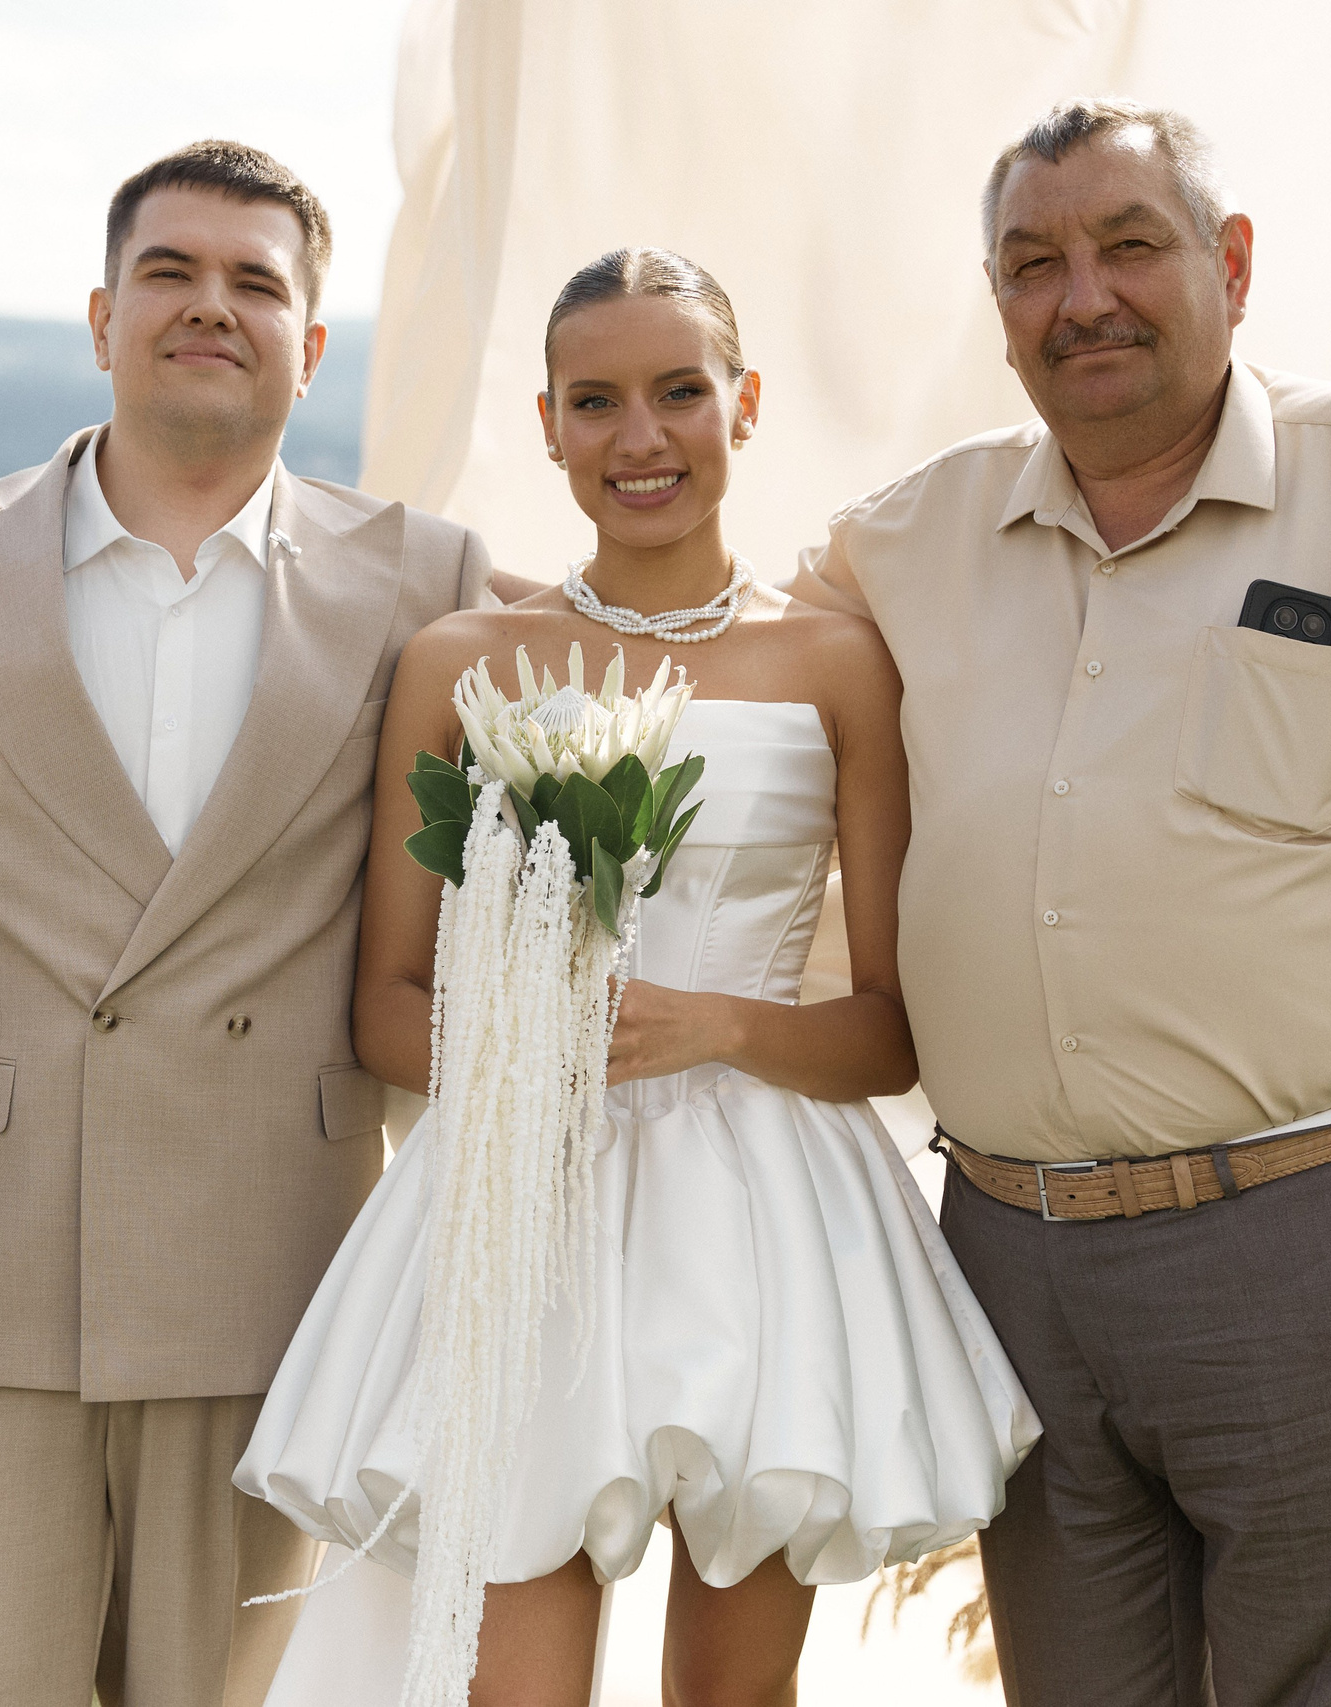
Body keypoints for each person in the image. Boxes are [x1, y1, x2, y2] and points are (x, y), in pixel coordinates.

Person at [791, 100, 1331, 1707]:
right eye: (1034, 265)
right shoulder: (910, 540)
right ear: (999, 308)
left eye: (1130, 245)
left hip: (1322, 1254)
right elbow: (703, 645)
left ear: (1233, 264)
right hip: (1006, 1267)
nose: (1084, 298)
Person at [0, 141, 512, 1706]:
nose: (209, 307)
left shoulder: (425, 585)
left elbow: (505, 918)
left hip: (275, 1277)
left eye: (257, 283)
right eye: (170, 273)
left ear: (311, 338)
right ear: (101, 317)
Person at [237, 247, 1039, 1707]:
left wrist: (720, 1022)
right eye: (595, 401)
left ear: (744, 404)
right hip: (515, 1216)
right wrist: (531, 1044)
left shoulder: (842, 663)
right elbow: (385, 1005)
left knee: (735, 1699)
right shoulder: (463, 661)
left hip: (770, 1224)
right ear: (547, 424)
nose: (640, 437)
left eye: (679, 393)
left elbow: (889, 1033)